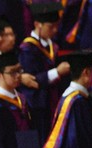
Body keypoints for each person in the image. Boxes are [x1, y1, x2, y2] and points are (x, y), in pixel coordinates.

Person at [19, 3, 71, 140]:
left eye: (56, 26)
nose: (54, 30)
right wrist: (57, 72)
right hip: (37, 106)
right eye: (51, 26)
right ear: (37, 24)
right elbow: (31, 80)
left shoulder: (53, 47)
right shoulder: (27, 49)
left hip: (52, 102)